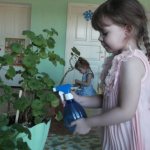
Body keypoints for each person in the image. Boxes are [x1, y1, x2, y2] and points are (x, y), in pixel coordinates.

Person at [70, 0, 150, 149]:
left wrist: (88, 123)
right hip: (115, 130)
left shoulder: (131, 62)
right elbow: (109, 98)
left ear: (127, 29)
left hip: (129, 135)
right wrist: (81, 100)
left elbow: (126, 111)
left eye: (104, 32)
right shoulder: (117, 60)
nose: (100, 38)